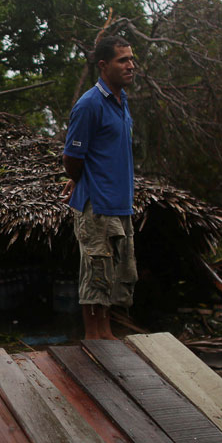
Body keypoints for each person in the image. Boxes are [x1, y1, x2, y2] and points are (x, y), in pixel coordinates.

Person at [61, 36, 137, 339]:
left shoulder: (121, 102)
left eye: (132, 59)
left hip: (120, 204)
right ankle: (95, 339)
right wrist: (81, 180)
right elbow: (72, 156)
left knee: (116, 276)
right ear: (104, 65)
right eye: (123, 60)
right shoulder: (90, 104)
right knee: (96, 276)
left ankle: (105, 336)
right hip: (97, 206)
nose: (131, 66)